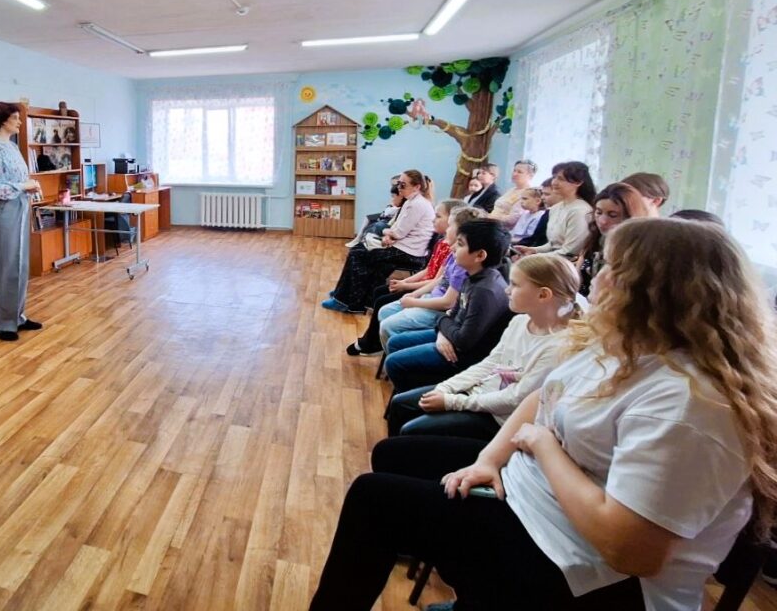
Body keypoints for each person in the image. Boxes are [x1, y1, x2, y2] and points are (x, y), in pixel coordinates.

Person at [310, 218, 777, 611]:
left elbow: (629, 551)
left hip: (587, 569)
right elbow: (541, 397)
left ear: (655, 290)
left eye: (612, 268)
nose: (597, 279)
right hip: (537, 501)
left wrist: (541, 444)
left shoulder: (693, 404)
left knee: (375, 500)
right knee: (396, 457)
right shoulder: (627, 346)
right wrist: (489, 459)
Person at [387, 253, 581, 438]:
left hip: (500, 419)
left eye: (515, 285)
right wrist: (445, 388)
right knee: (400, 405)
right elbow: (490, 364)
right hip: (479, 394)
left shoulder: (558, 347)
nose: (507, 290)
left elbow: (515, 398)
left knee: (411, 429)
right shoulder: (519, 322)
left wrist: (453, 401)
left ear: (543, 295)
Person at [383, 219, 513, 396]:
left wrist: (443, 326)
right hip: (451, 336)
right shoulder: (472, 275)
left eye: (460, 244)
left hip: (462, 355)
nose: (452, 248)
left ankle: (416, 400)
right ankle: (407, 391)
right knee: (395, 343)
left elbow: (463, 341)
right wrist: (443, 332)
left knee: (395, 363)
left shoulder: (485, 291)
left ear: (480, 255)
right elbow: (452, 314)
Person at [347, 199, 465, 356]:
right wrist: (405, 283)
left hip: (430, 296)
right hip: (426, 291)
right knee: (380, 293)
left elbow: (437, 284)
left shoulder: (453, 253)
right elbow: (430, 271)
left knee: (382, 300)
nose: (433, 220)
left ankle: (374, 344)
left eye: (438, 217)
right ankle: (375, 340)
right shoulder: (443, 244)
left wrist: (407, 288)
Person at [323, 170, 435, 313]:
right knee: (362, 253)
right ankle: (349, 296)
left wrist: (386, 233)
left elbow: (398, 232)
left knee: (357, 254)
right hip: (404, 248)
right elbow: (397, 228)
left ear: (417, 187)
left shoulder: (417, 204)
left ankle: (345, 301)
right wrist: (390, 234)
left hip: (409, 254)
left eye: (403, 185)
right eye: (398, 184)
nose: (399, 188)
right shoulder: (412, 202)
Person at [376, 206, 486, 349]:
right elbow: (440, 280)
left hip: (438, 310)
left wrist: (414, 302)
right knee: (385, 311)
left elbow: (447, 303)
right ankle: (396, 349)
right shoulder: (453, 253)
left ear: (461, 231)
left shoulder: (462, 263)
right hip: (431, 298)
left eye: (450, 226)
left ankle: (399, 353)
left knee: (388, 326)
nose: (447, 229)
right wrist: (414, 294)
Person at [0, 102, 43, 341]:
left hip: (19, 207)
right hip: (2, 212)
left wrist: (30, 186)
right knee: (6, 266)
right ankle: (2, 324)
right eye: (16, 118)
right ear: (2, 120)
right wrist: (23, 186)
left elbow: (19, 179)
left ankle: (17, 316)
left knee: (20, 265)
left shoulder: (12, 146)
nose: (19, 122)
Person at [578, 183, 650, 295]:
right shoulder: (595, 239)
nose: (602, 221)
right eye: (598, 212)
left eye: (612, 215)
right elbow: (578, 277)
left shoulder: (638, 250)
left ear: (631, 217)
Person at [515, 161, 595, 259]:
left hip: (567, 264)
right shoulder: (555, 208)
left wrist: (535, 257)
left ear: (578, 182)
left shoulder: (580, 211)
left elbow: (570, 252)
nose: (554, 182)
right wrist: (533, 250)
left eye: (561, 179)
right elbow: (553, 244)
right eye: (554, 177)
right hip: (553, 259)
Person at [346, 176, 403, 248]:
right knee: (368, 218)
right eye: (392, 184)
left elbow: (392, 211)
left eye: (394, 184)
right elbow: (390, 207)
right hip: (388, 214)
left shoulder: (401, 196)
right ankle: (358, 239)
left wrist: (389, 208)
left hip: (389, 216)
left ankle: (361, 241)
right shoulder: (395, 194)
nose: (393, 185)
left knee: (375, 225)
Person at [491, 160, 537, 228]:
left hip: (503, 229)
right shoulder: (512, 190)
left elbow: (513, 219)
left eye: (519, 172)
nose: (515, 174)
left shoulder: (528, 193)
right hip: (493, 224)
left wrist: (490, 217)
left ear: (530, 176)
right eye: (514, 170)